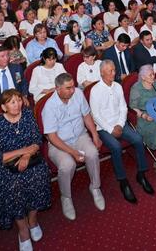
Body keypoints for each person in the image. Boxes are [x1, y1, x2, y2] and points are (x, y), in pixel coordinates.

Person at [0, 89, 51, 251]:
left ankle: (33, 220)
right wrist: (23, 151)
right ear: (4, 107)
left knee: (40, 175)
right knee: (13, 186)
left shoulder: (28, 115)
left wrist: (26, 156)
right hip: (7, 168)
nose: (17, 104)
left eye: (18, 100)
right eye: (12, 102)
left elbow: (37, 141)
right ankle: (23, 230)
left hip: (30, 161)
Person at [40, 73, 104, 221]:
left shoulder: (78, 94)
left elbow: (86, 116)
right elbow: (52, 137)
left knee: (93, 153)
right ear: (58, 89)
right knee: (67, 165)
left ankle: (95, 187)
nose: (73, 90)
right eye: (68, 88)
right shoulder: (49, 107)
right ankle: (66, 197)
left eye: (73, 86)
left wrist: (95, 135)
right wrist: (73, 152)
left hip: (80, 136)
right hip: (59, 143)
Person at [89, 60, 154, 204]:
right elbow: (96, 115)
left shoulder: (117, 86)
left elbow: (123, 108)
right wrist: (111, 129)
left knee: (138, 139)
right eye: (110, 71)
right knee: (116, 147)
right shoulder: (95, 90)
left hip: (120, 123)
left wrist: (119, 124)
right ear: (102, 73)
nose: (114, 73)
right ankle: (123, 181)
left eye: (114, 70)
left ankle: (141, 174)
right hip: (104, 128)